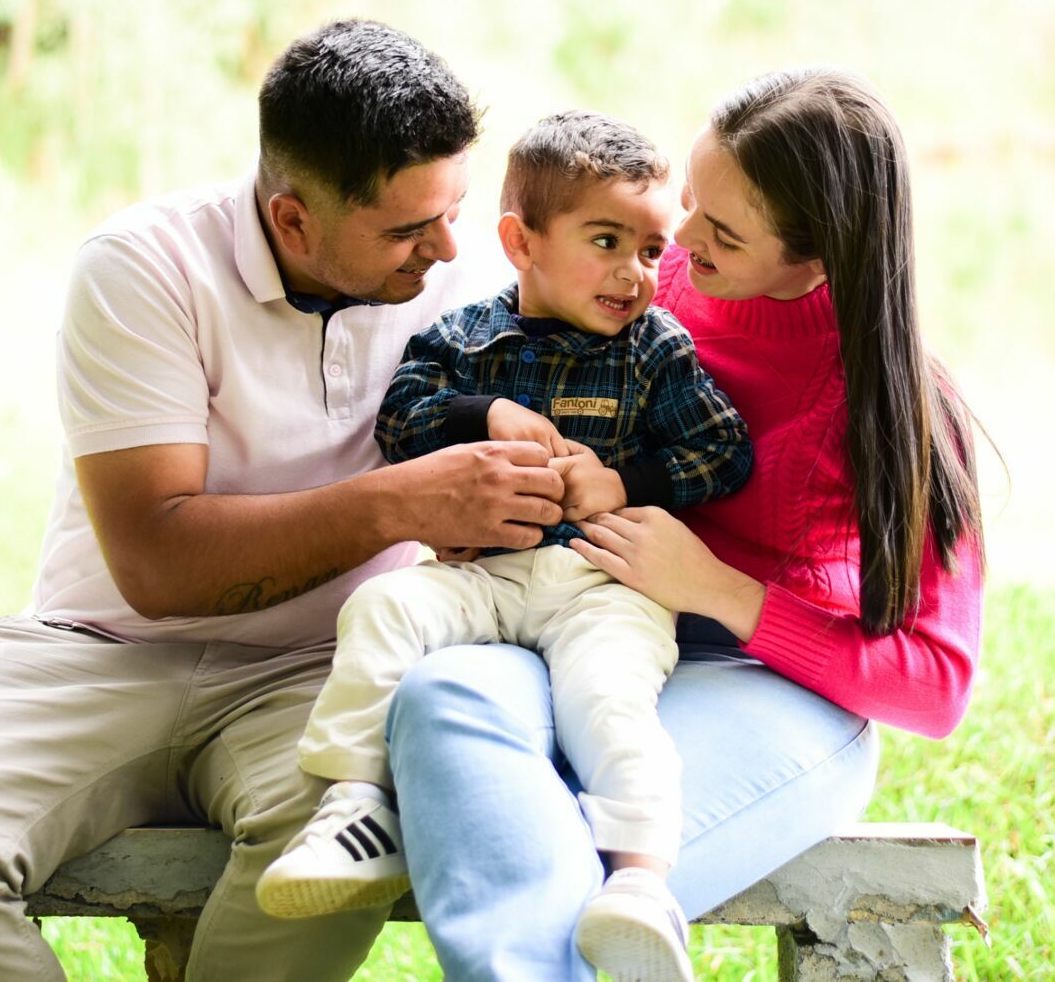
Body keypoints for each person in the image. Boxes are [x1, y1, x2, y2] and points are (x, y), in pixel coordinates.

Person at [0, 19, 570, 982]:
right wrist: (400, 505)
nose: (446, 245)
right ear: (293, 219)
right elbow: (156, 563)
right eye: (404, 228)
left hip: (323, 672)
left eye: (454, 206)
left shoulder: (465, 276)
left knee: (347, 837)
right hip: (97, 652)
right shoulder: (144, 267)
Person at [382, 67, 989, 982]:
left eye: (722, 231)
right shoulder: (646, 284)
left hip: (760, 686)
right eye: (692, 199)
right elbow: (503, 362)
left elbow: (936, 684)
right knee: (438, 701)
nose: (678, 240)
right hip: (569, 620)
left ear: (816, 258)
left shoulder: (898, 403)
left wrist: (718, 590)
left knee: (589, 872)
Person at [258, 111, 751, 982]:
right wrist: (481, 415)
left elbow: (722, 451)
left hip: (602, 580)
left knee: (609, 696)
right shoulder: (467, 340)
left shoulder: (654, 351)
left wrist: (625, 481)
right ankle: (356, 803)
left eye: (649, 249)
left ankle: (639, 885)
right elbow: (401, 414)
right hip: (480, 574)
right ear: (521, 241)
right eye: (606, 241)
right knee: (382, 607)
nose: (634, 273)